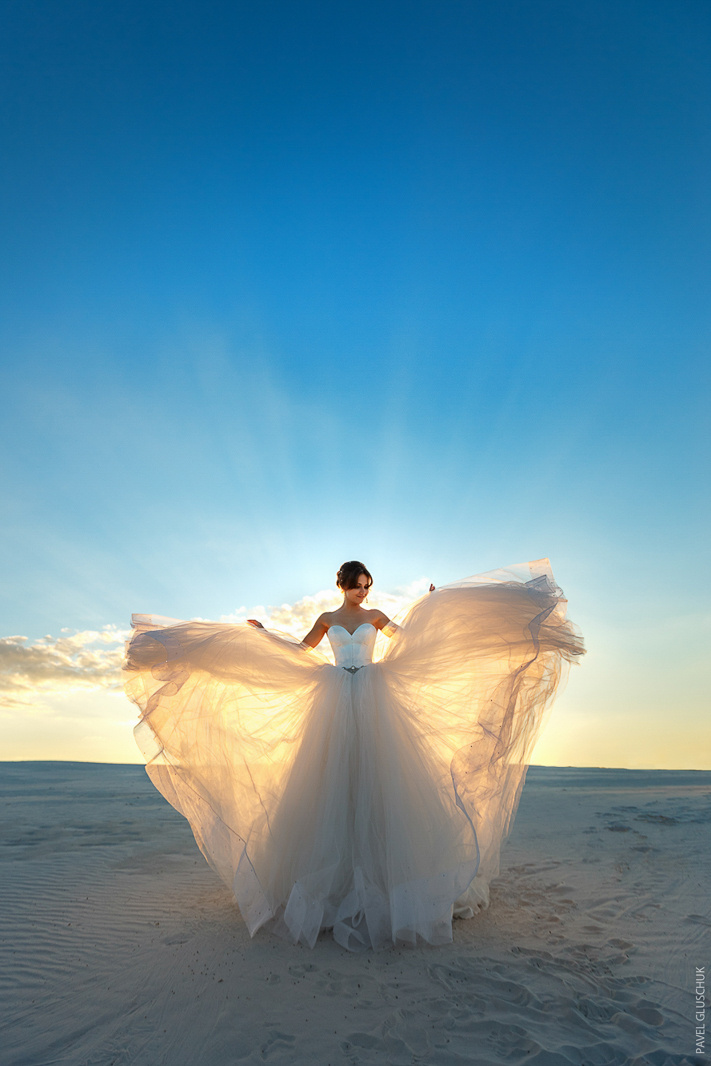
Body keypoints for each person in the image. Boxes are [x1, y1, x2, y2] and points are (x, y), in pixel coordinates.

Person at [124, 558, 584, 952]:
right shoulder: (327, 616)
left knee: (380, 778)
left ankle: (390, 878)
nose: (362, 592)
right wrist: (265, 635)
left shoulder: (378, 615)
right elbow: (302, 649)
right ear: (343, 584)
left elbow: (406, 641)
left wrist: (432, 610)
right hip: (334, 698)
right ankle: (330, 881)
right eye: (357, 585)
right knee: (329, 781)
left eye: (367, 586)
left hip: (372, 696)